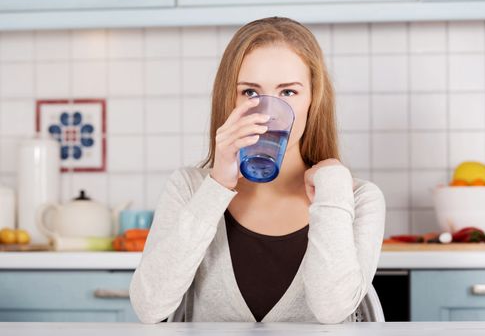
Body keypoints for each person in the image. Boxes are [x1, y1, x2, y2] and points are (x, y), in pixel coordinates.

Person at [129, 16, 386, 324]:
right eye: (250, 93)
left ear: (313, 100)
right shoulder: (189, 187)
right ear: (230, 100)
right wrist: (218, 185)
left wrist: (332, 185)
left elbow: (332, 310)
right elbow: (149, 307)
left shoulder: (357, 197)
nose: (267, 113)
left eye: (288, 92)